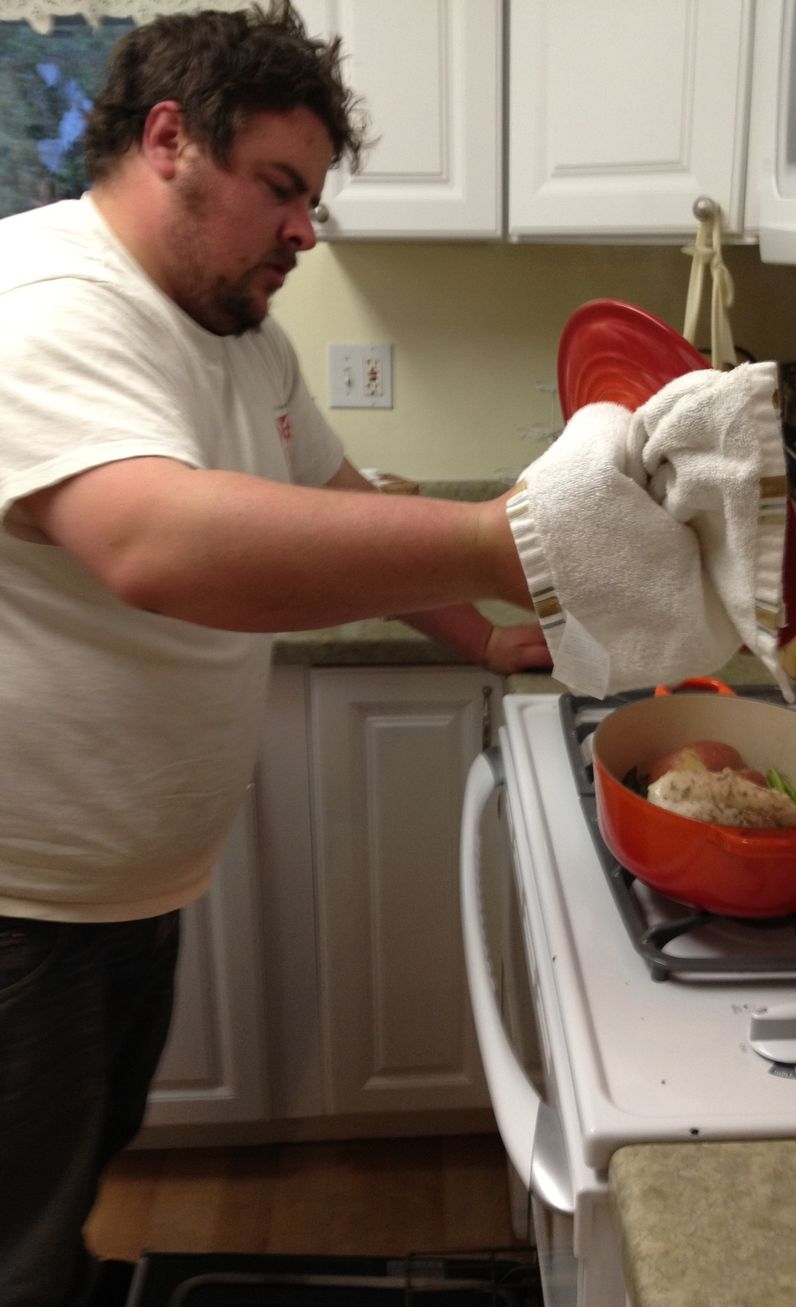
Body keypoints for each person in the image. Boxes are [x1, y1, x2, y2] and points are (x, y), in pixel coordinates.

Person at [0, 5, 551, 1304]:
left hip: (125, 882)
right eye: (282, 190)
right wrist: (498, 538)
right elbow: (156, 542)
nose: (306, 230)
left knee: (65, 1186)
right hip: (22, 905)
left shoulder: (242, 331)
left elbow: (347, 502)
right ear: (170, 139)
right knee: (16, 1238)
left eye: (314, 198)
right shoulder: (48, 302)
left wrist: (488, 633)